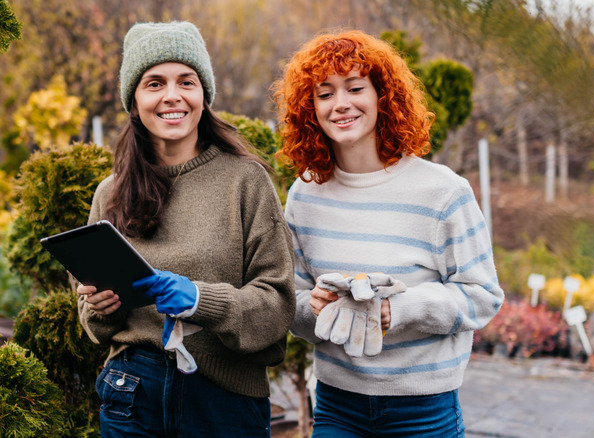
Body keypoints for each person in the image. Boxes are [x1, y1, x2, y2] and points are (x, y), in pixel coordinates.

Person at [273, 30, 504, 437]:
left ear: (383, 96)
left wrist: (394, 311)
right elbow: (290, 298)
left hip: (424, 411)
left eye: (355, 88)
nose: (340, 104)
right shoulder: (305, 195)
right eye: (324, 94)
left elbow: (481, 296)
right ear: (309, 109)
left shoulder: (443, 192)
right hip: (336, 406)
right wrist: (319, 308)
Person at [76, 21, 295, 438]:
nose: (172, 96)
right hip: (131, 393)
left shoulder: (245, 182)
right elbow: (92, 323)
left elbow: (278, 305)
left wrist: (201, 299)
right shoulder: (112, 192)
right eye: (154, 83)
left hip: (225, 400)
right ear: (134, 100)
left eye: (186, 81)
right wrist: (101, 306)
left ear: (203, 95)